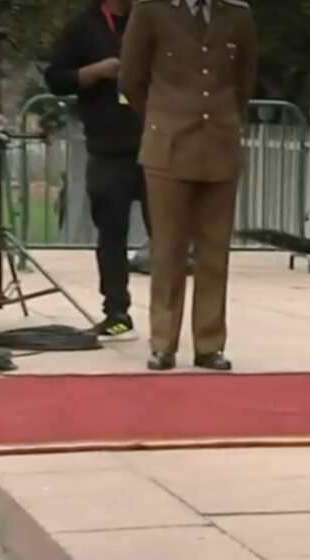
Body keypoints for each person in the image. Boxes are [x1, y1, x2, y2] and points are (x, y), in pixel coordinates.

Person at [119, 0, 257, 371]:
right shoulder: (151, 10)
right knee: (168, 250)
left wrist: (224, 119)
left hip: (220, 143)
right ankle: (163, 342)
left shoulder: (237, 14)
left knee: (214, 252)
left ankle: (209, 344)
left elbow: (244, 80)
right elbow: (131, 78)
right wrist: (162, 117)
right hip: (168, 145)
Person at [44, 0, 150, 341]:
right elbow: (56, 79)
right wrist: (94, 72)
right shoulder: (83, 25)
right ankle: (116, 312)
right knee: (111, 235)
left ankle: (169, 318)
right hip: (107, 147)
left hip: (156, 146)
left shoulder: (154, 18)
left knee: (167, 238)